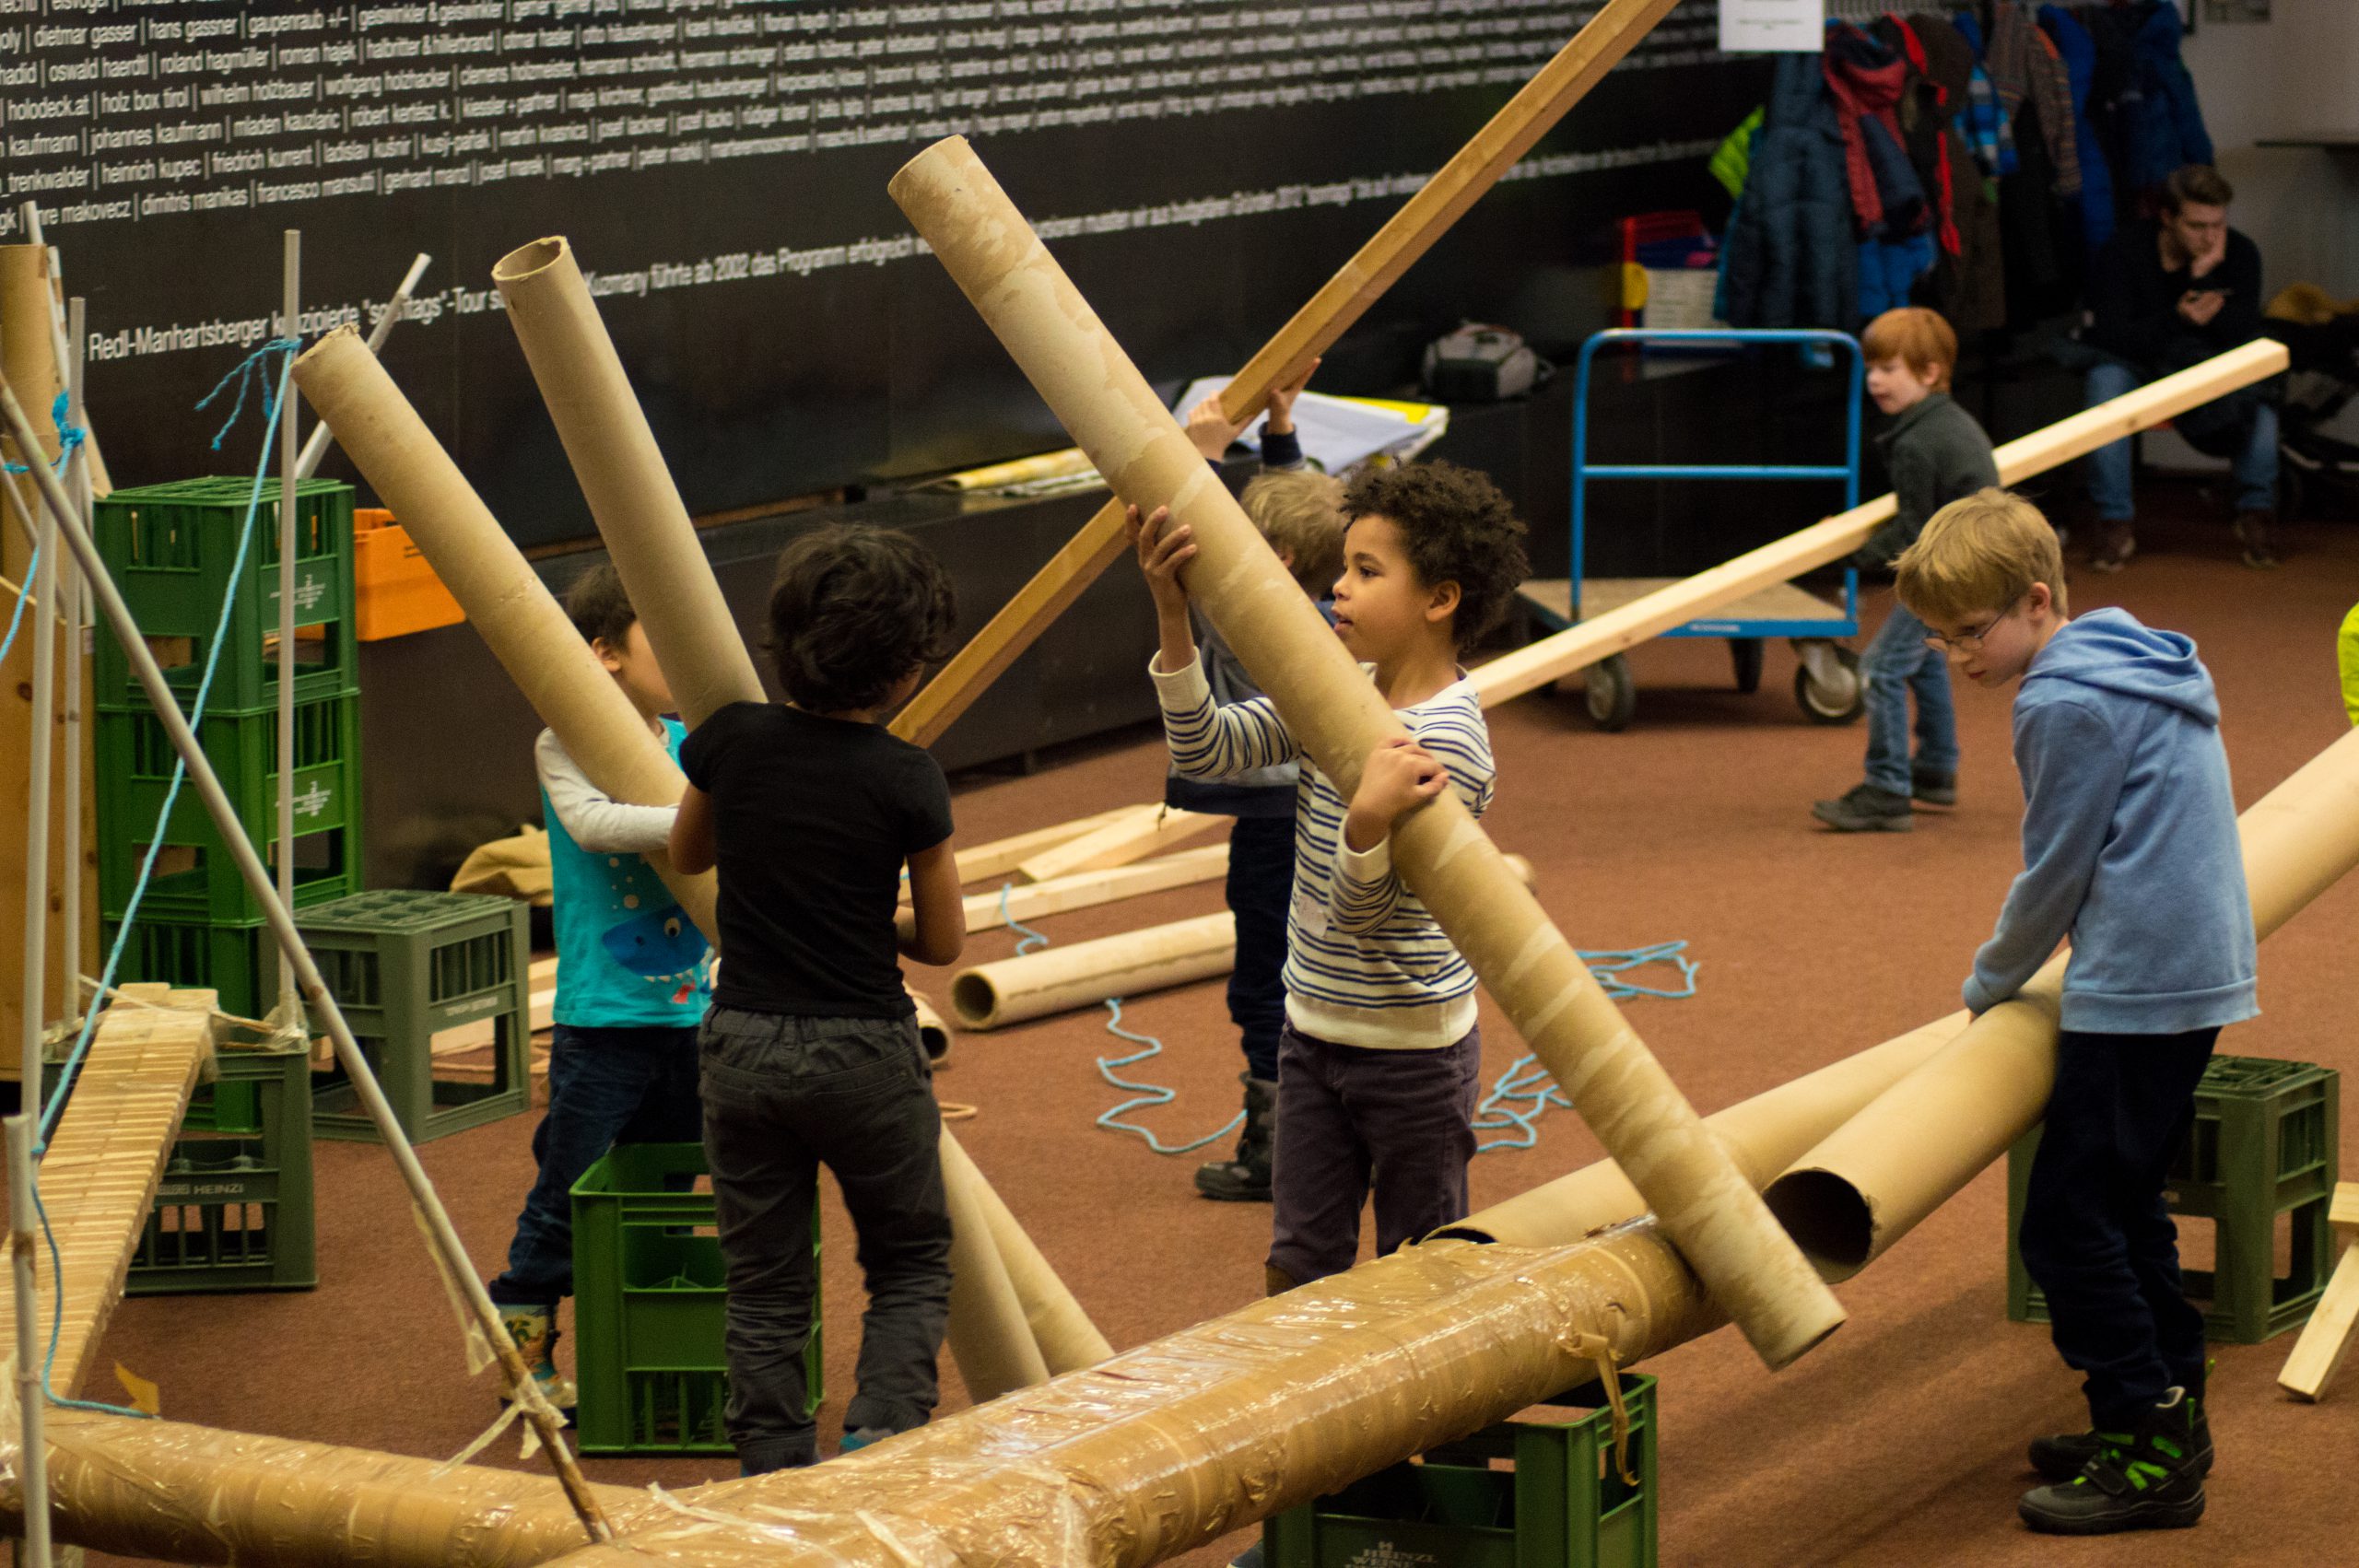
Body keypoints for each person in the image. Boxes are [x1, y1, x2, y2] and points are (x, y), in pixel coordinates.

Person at [1894, 489, 2256, 1535]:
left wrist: (1987, 982)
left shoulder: (2061, 702)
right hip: (2190, 969)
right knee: (2123, 1196)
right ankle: (2158, 1410)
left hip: (2140, 985)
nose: (1957, 654)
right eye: (1937, 634)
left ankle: (2147, 1444)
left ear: (2038, 600)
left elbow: (2054, 869)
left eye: (1971, 631)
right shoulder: (2135, 656)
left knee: (2062, 1226)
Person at [1131, 461, 1526, 1294]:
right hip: (1312, 1030)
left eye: (1365, 572)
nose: (1336, 589)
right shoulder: (1344, 684)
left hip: (1411, 1049)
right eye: (1342, 567)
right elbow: (1206, 749)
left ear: (1440, 599)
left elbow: (1366, 918)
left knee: (1420, 1275)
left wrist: (1367, 820)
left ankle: (1422, 1428)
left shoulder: (1446, 740)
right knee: (1299, 1264)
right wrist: (1174, 613)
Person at [670, 525, 965, 1475]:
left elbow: (689, 855)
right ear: (908, 668)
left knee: (763, 1283)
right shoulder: (907, 778)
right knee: (910, 1262)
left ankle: (772, 1472)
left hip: (743, 1044)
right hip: (865, 1052)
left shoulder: (729, 741)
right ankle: (878, 1446)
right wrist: (864, 921)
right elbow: (945, 941)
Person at [485, 566, 711, 1413]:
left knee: (664, 1187)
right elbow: (593, 825)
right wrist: (703, 818)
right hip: (604, 1022)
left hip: (690, 1015)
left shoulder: (691, 739)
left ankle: (634, 1339)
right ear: (606, 654)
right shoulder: (563, 742)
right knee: (569, 1187)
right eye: (660, 640)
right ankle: (525, 1355)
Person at [1173, 366, 1345, 1202]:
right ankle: (1336, 1130)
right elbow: (1309, 529)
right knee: (1315, 964)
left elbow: (1203, 563)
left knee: (1263, 979)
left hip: (1275, 820)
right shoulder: (1331, 604)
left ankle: (1276, 1146)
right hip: (1320, 814)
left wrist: (1202, 465)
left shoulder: (1254, 625)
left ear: (1269, 558)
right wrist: (1281, 436)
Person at [1813, 306, 2000, 833]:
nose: (1874, 380)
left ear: (1930, 373)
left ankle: (1887, 788)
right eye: (1871, 368)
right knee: (1923, 660)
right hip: (1973, 566)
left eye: (1889, 369)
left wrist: (1846, 555)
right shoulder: (1946, 423)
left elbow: (1915, 534)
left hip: (1953, 574)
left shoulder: (1918, 442)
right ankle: (1937, 769)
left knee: (1880, 668)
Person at [2082, 163, 2280, 572]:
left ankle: (2255, 515)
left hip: (2208, 370)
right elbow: (2112, 336)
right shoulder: (2124, 252)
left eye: (2217, 224)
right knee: (2104, 382)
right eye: (2196, 226)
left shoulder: (2239, 254)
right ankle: (2115, 522)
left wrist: (2203, 278)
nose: (2209, 237)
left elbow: (2244, 334)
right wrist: (2179, 318)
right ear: (2167, 218)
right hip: (2139, 366)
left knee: (2263, 392)